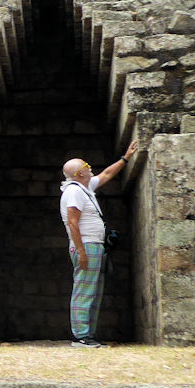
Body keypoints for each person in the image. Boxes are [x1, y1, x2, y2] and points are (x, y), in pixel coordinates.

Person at [60, 138, 139, 348]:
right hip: (86, 245)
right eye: (86, 165)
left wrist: (126, 158)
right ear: (80, 173)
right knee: (84, 289)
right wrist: (81, 251)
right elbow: (73, 222)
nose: (90, 167)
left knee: (93, 290)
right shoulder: (74, 191)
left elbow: (106, 174)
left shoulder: (85, 187)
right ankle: (80, 336)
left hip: (93, 245)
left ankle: (88, 335)